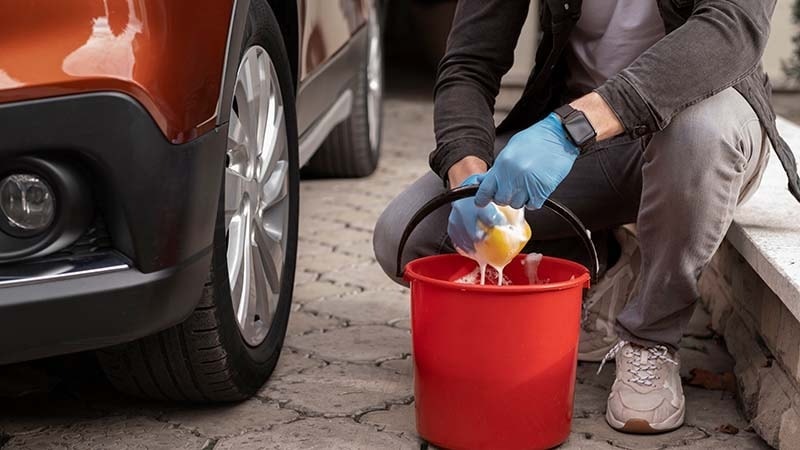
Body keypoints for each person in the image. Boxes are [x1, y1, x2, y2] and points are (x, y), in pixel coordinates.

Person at [374, 0, 800, 434]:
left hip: (699, 127)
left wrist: (573, 126)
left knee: (698, 136)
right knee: (408, 235)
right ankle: (607, 262)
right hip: (578, 144)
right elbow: (469, 63)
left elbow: (731, 30)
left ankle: (650, 340)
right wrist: (465, 175)